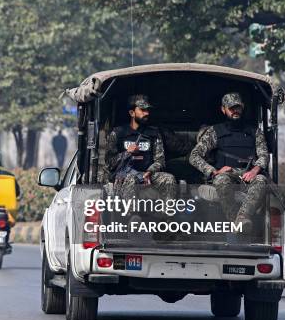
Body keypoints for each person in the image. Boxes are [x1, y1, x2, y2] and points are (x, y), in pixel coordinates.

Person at [189, 93, 268, 231]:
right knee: (221, 180)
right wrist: (214, 171)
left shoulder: (255, 132)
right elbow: (194, 156)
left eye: (237, 107)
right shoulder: (215, 131)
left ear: (242, 108)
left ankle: (242, 217)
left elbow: (264, 156)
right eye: (231, 108)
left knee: (261, 179)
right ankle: (234, 221)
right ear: (223, 109)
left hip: (248, 175)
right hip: (226, 175)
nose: (235, 111)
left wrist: (255, 171)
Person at [106, 94, 176, 201]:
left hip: (147, 174)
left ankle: (166, 216)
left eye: (147, 110)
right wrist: (127, 153)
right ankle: (130, 216)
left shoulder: (153, 133)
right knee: (130, 179)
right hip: (125, 175)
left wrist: (149, 172)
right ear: (132, 113)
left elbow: (160, 161)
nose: (147, 113)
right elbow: (109, 163)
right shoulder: (118, 133)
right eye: (142, 110)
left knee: (169, 179)